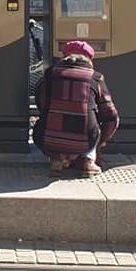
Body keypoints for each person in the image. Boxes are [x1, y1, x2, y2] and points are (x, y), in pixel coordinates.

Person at [33, 40, 119, 177]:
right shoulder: (96, 78)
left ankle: (56, 160)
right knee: (92, 120)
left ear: (65, 56)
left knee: (50, 120)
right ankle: (88, 160)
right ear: (89, 59)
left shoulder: (50, 74)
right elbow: (112, 117)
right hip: (85, 141)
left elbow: (42, 105)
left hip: (49, 140)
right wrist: (100, 141)